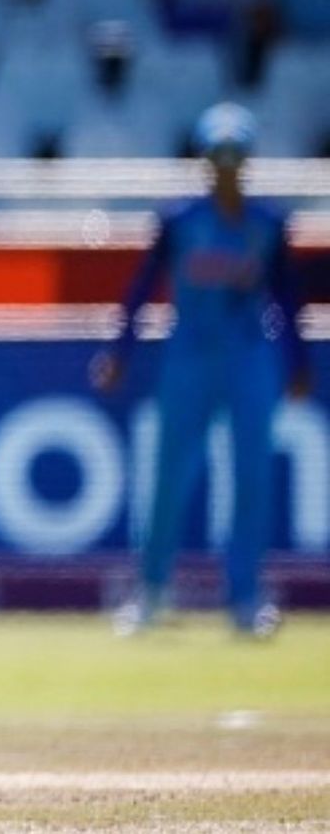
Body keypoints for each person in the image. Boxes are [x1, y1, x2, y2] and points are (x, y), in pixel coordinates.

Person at [91, 102, 313, 639]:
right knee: (170, 476)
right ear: (205, 161)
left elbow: (285, 298)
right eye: (218, 156)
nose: (227, 167)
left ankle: (245, 598)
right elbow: (143, 286)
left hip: (248, 357)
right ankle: (151, 592)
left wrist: (298, 362)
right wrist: (120, 350)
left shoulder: (268, 224)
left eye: (236, 156)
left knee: (251, 478)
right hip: (188, 355)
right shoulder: (180, 221)